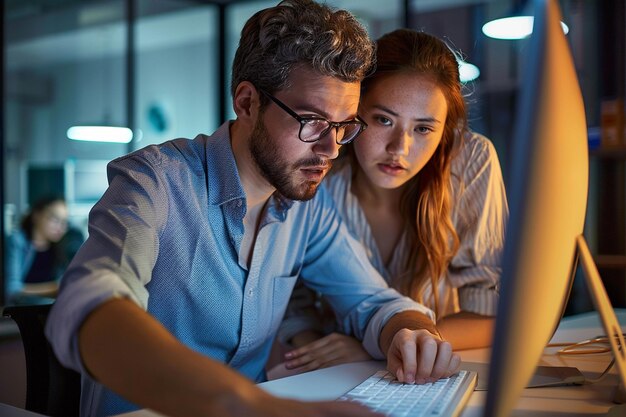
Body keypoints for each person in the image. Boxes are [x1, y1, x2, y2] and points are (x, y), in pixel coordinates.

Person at [45, 3, 461, 417]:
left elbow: (373, 302)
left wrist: (413, 333)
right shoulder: (155, 181)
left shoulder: (307, 206)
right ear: (247, 102)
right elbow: (91, 303)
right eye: (312, 120)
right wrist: (247, 404)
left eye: (343, 126)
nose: (330, 149)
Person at [276, 29, 508, 374]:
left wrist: (387, 344)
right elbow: (292, 300)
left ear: (445, 130)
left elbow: (495, 315)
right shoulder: (318, 171)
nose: (399, 148)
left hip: (428, 368)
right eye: (384, 120)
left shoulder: (470, 162)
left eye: (423, 129)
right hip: (337, 371)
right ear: (354, 114)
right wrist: (316, 348)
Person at [5, 196, 69, 305]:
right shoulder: (17, 241)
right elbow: (12, 290)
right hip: (20, 310)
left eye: (64, 222)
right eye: (55, 219)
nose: (60, 227)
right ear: (37, 215)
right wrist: (54, 288)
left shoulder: (59, 248)